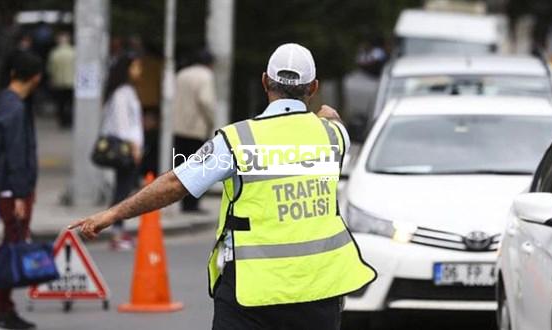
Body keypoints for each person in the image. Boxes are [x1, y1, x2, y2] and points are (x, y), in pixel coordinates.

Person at [69, 43, 377, 330]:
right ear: (313, 87)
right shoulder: (335, 137)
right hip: (319, 293)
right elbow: (332, 118)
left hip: (252, 295)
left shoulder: (236, 141)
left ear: (264, 81)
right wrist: (326, 116)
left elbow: (176, 184)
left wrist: (112, 215)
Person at [0, 52, 42, 330]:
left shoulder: (5, 102)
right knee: (10, 247)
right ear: (36, 78)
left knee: (11, 243)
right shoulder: (15, 108)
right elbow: (16, 154)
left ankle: (4, 308)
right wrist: (20, 193)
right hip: (12, 189)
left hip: (6, 187)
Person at [99, 54, 143, 251]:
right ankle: (116, 232)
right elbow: (123, 124)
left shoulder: (126, 91)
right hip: (125, 148)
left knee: (123, 189)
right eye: (135, 66)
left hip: (129, 147)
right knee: (122, 191)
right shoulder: (122, 93)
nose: (138, 71)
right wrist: (134, 147)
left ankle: (119, 229)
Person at [172, 49, 216, 213]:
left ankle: (183, 202)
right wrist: (211, 121)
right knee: (198, 168)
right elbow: (206, 101)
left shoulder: (181, 74)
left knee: (181, 167)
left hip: (179, 127)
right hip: (196, 128)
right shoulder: (206, 76)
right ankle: (193, 205)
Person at [47, 32, 75, 128]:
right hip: (72, 82)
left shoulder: (54, 53)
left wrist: (52, 79)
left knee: (61, 103)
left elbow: (51, 69)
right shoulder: (74, 52)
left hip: (59, 82)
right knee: (70, 103)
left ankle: (63, 120)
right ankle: (70, 120)